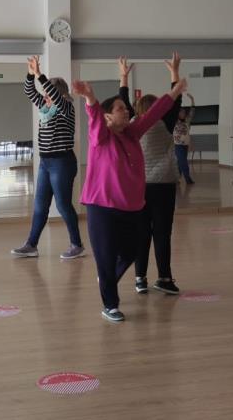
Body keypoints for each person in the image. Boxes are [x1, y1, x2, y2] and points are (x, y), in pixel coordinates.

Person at [72, 76, 187, 322]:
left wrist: (175, 92)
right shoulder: (100, 137)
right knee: (105, 256)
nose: (127, 111)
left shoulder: (133, 133)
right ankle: (110, 305)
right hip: (101, 206)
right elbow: (93, 118)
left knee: (131, 251)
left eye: (126, 108)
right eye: (120, 109)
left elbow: (154, 114)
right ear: (108, 117)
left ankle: (107, 278)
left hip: (132, 207)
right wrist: (90, 98)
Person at [118, 53, 185, 295]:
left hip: (140, 187)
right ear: (158, 108)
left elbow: (122, 101)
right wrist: (174, 73)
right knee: (162, 233)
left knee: (141, 233)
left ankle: (140, 279)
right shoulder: (165, 122)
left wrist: (123, 77)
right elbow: (175, 100)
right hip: (164, 184)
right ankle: (165, 278)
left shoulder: (131, 125)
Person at [10, 56, 85, 259]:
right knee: (40, 205)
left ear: (58, 93)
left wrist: (40, 75)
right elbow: (29, 91)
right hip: (45, 163)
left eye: (48, 93)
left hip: (62, 162)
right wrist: (30, 73)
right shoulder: (46, 109)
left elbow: (54, 95)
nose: (45, 96)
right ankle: (31, 245)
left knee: (62, 205)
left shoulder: (65, 107)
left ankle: (77, 245)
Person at [173, 98, 196, 185]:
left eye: (183, 112)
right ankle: (187, 179)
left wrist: (192, 100)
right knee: (183, 162)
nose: (182, 114)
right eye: (180, 112)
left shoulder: (187, 121)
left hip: (185, 145)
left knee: (180, 163)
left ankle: (177, 178)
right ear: (177, 114)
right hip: (177, 145)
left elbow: (192, 111)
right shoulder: (175, 122)